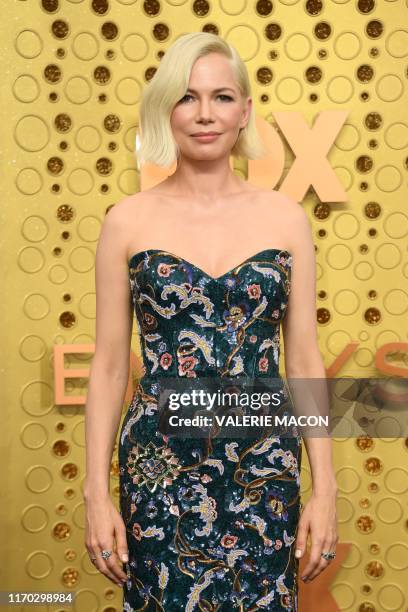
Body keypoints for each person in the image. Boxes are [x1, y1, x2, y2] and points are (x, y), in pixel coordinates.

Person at [84, 32, 338, 611]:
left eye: (222, 97)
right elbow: (106, 367)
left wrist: (325, 490)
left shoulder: (285, 219)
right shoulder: (126, 222)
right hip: (159, 466)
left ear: (245, 111)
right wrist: (96, 494)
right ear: (166, 109)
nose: (204, 114)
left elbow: (302, 361)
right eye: (187, 97)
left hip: (265, 464)